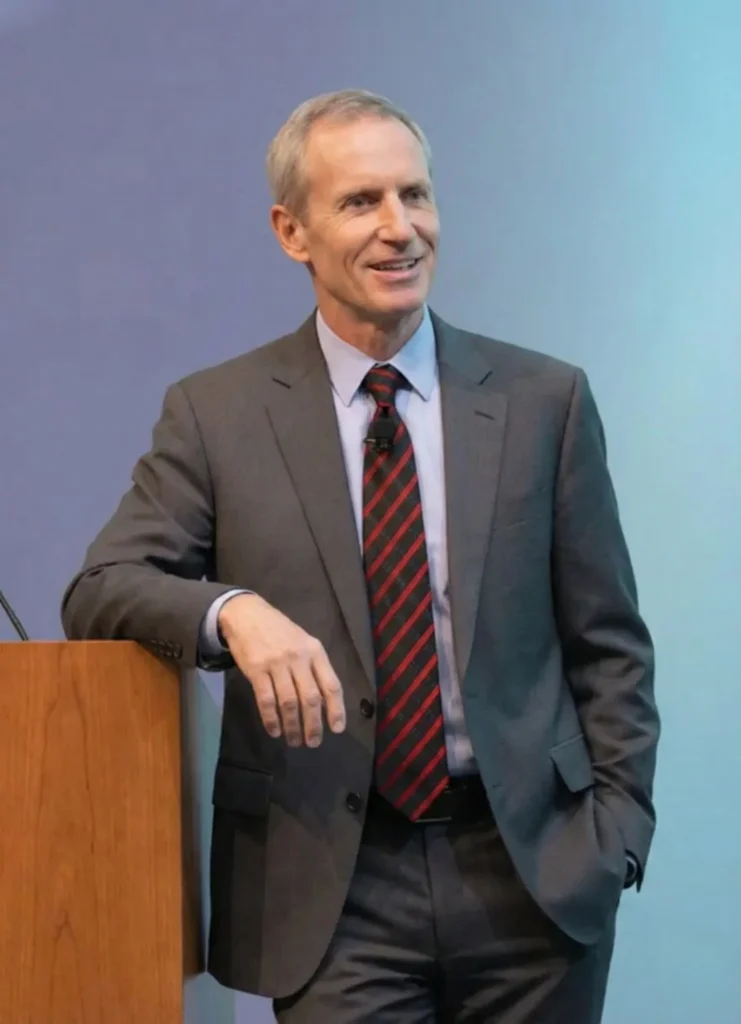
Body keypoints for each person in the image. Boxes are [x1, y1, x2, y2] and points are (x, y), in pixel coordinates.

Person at [61, 89, 660, 1023]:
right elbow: (100, 590)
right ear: (291, 232)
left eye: (414, 194)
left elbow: (608, 644)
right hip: (332, 890)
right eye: (360, 202)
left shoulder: (545, 401)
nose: (399, 227)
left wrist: (614, 834)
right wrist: (231, 614)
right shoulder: (217, 415)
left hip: (532, 877)